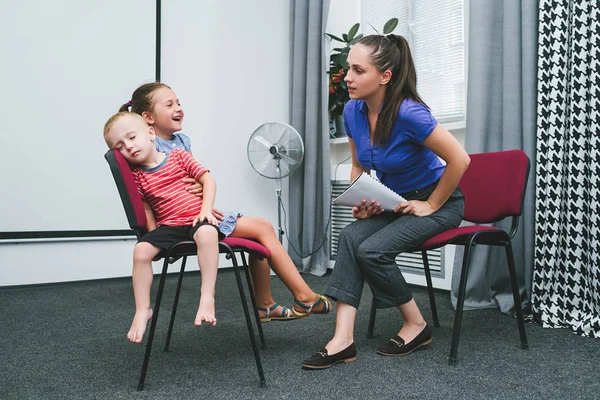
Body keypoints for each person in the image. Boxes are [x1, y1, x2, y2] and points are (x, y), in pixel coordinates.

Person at [302, 34, 470, 369]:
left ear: (385, 76)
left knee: (372, 249)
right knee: (350, 237)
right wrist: (363, 199)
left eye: (357, 70)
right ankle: (342, 340)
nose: (347, 77)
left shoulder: (411, 114)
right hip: (398, 203)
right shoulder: (352, 111)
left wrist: (434, 204)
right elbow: (357, 165)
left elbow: (460, 159)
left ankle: (416, 325)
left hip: (439, 203)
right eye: (347, 68)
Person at [116, 83, 331, 342]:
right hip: (182, 221)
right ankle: (301, 297)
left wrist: (198, 185)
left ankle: (267, 304)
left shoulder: (180, 142)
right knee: (263, 228)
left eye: (179, 103)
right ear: (148, 120)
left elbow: (193, 176)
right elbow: (157, 190)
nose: (178, 109)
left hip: (197, 212)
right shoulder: (146, 146)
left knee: (261, 229)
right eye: (169, 105)